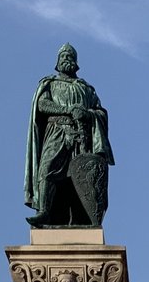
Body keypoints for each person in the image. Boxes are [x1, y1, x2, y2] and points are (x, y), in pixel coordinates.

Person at [24, 43, 114, 227]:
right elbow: (42, 104)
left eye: (70, 56)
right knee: (47, 170)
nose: (67, 59)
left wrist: (88, 114)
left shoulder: (86, 89)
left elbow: (101, 112)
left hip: (82, 136)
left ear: (76, 62)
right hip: (56, 132)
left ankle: (84, 218)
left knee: (79, 178)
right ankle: (44, 212)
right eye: (63, 56)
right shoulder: (50, 84)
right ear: (57, 62)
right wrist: (68, 110)